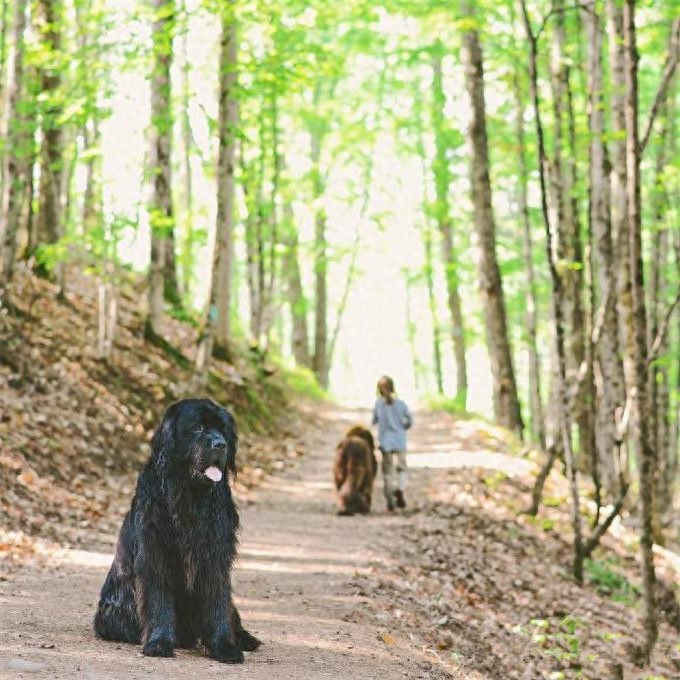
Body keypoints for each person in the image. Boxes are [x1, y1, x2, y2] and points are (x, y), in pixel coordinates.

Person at [372, 375, 413, 511]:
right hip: (400, 440)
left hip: (385, 443)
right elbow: (409, 422)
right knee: (402, 468)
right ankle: (400, 489)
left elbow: (373, 421)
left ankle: (389, 498)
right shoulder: (401, 404)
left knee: (387, 471)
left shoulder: (378, 404)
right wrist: (402, 427)